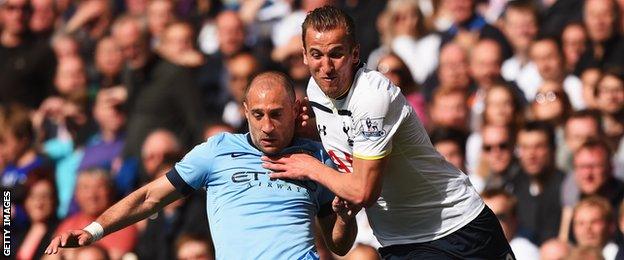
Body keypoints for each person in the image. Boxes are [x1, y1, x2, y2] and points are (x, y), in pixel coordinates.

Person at [263, 6, 513, 259]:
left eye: (336, 54)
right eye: (316, 55)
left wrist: (310, 166)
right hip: (398, 242)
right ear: (304, 55)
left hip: (458, 227)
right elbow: (348, 136)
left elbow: (363, 191)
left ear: (355, 53)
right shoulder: (315, 91)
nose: (326, 67)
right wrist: (316, 131)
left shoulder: (372, 96)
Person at [46, 72, 358, 259]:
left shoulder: (317, 158)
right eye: (258, 114)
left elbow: (340, 245)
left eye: (276, 114)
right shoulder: (218, 150)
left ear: (294, 110)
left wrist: (344, 218)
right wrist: (93, 231)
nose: (266, 126)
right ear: (245, 111)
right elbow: (149, 197)